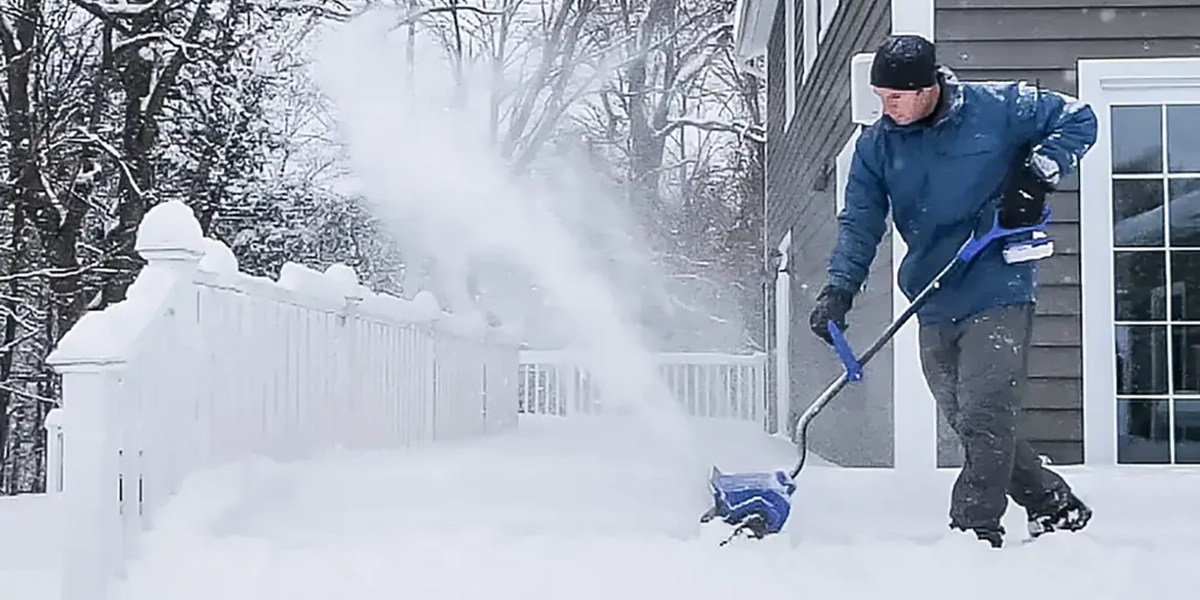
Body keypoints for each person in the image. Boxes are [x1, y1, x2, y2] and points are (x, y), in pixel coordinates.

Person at [807, 34, 1096, 548]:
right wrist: (839, 290)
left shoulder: (998, 108)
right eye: (880, 96)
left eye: (895, 96)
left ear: (927, 87)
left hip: (997, 281)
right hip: (933, 292)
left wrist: (1035, 175)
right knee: (969, 420)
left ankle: (973, 531)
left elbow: (1079, 118)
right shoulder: (876, 146)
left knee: (986, 412)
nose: (886, 106)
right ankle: (1052, 503)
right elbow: (859, 223)